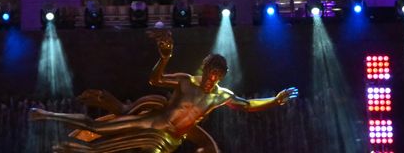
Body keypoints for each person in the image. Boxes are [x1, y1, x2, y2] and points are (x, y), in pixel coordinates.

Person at [31, 30, 297, 152]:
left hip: (170, 140)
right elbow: (155, 80)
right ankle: (45, 114)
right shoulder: (185, 81)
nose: (209, 79)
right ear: (202, 70)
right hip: (151, 123)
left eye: (216, 76)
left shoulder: (221, 95)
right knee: (96, 126)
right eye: (208, 73)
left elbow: (247, 105)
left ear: (222, 76)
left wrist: (274, 100)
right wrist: (165, 57)